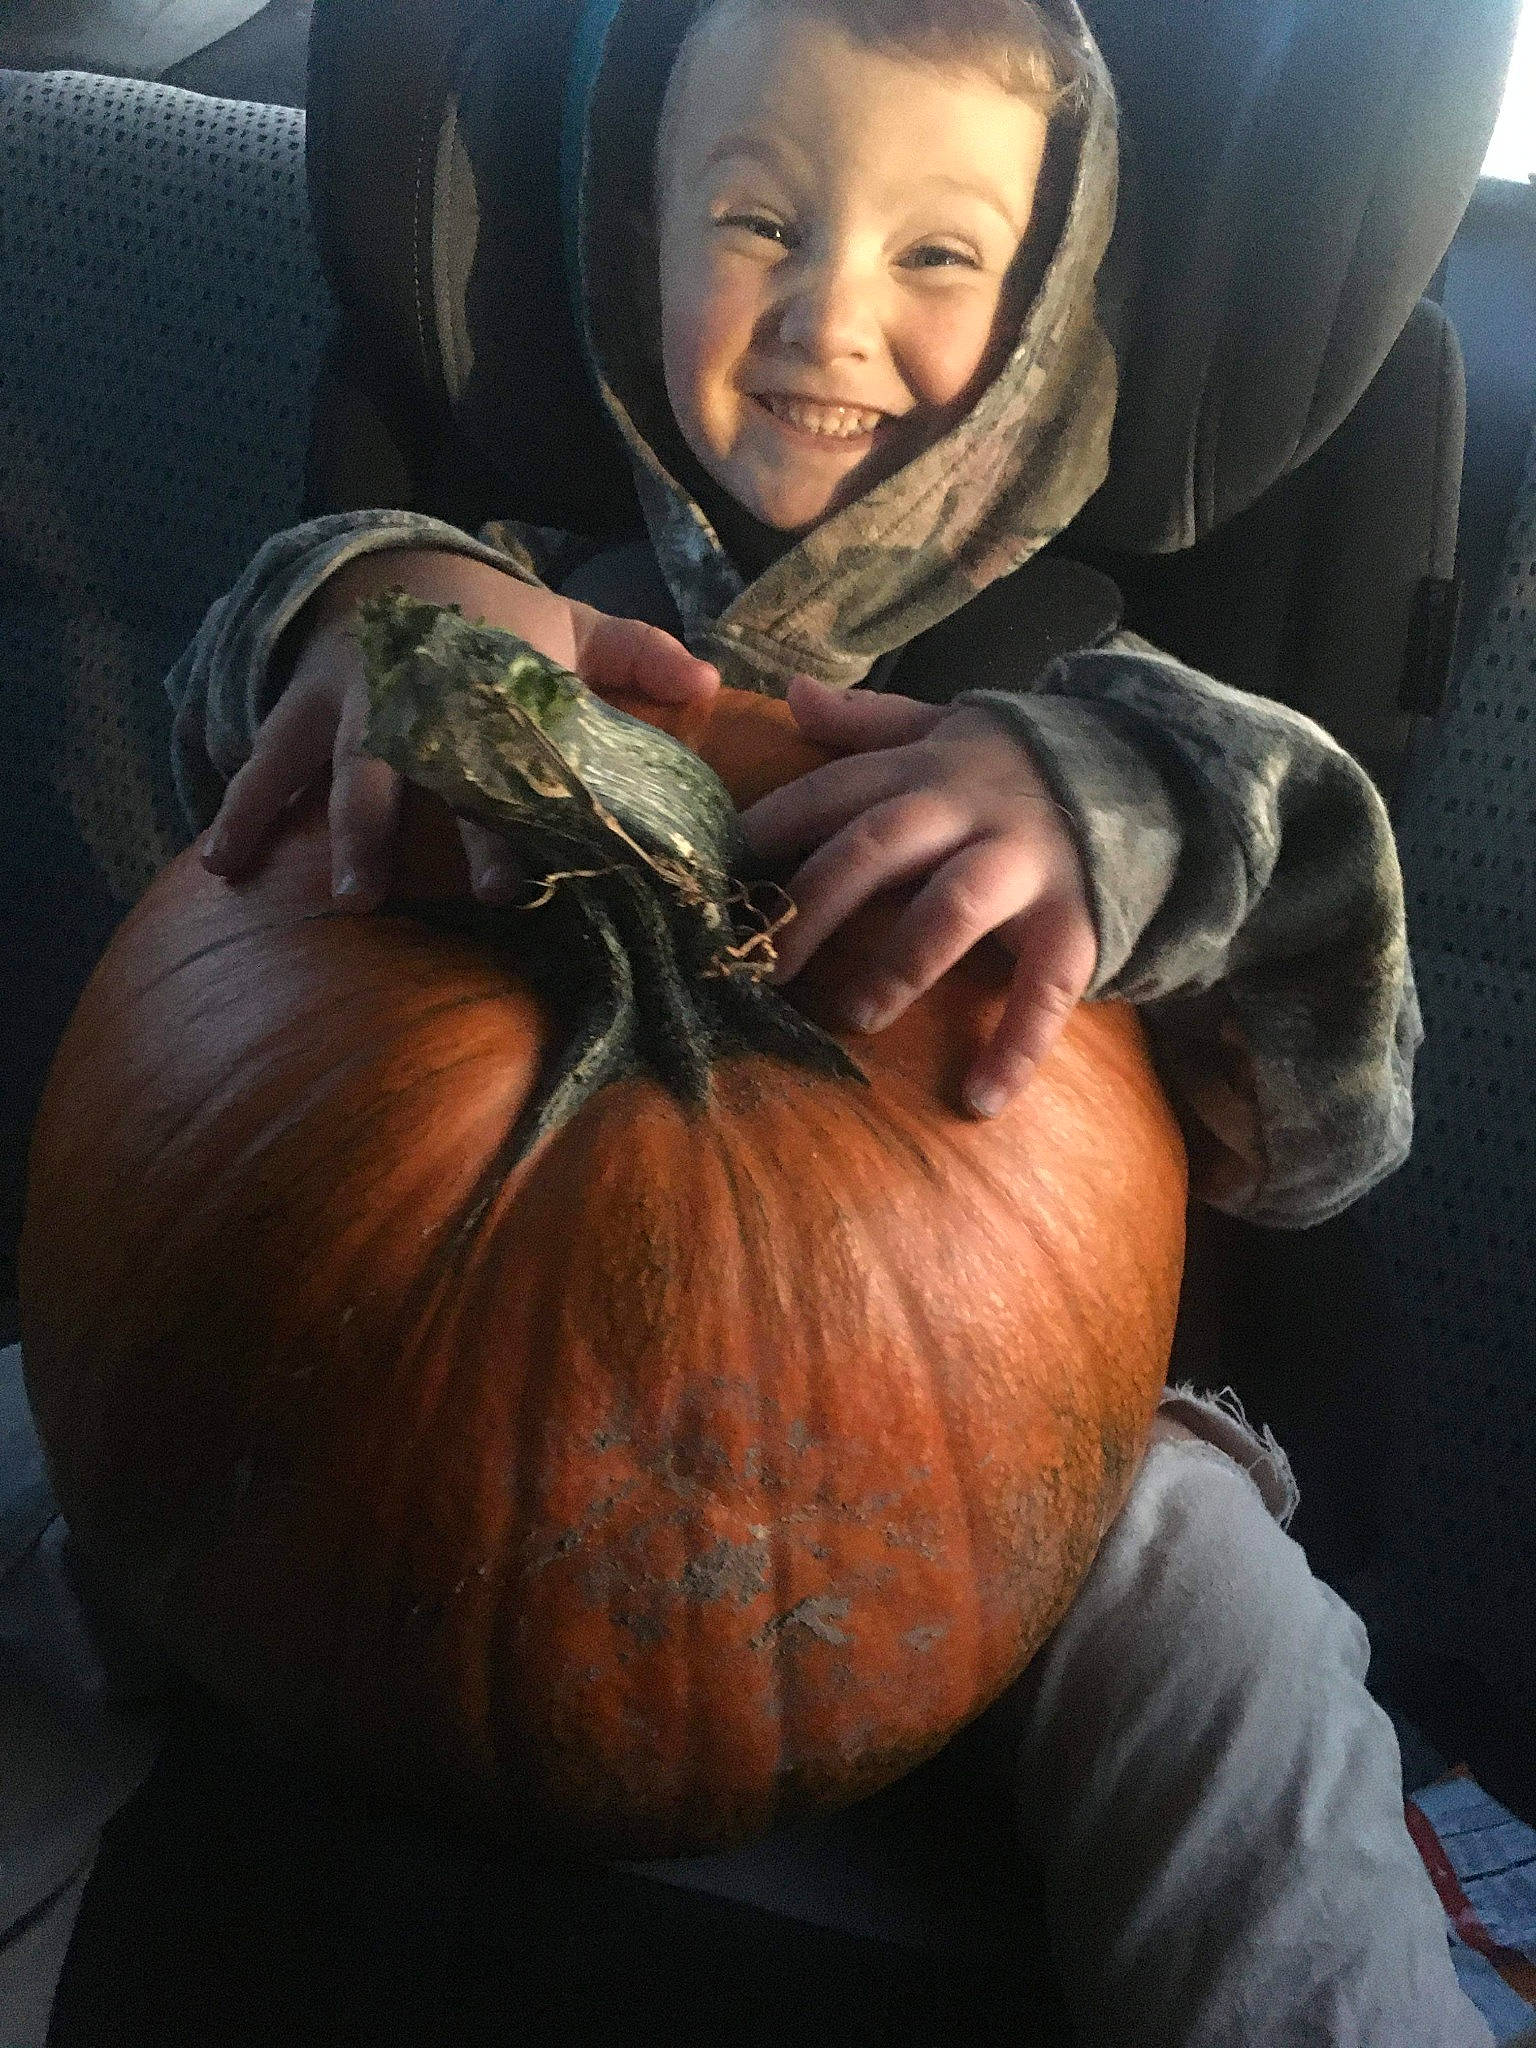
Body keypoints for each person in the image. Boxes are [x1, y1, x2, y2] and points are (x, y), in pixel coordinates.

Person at [0, 0, 1504, 2041]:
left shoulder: (1132, 707)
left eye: (937, 253)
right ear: (633, 233)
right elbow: (238, 806)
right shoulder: (518, 595)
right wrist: (377, 613)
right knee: (49, 1450)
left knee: (1224, 1629)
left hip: (1023, 1437)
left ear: (1059, 291)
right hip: (390, 1359)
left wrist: (1111, 817)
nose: (824, 314)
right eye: (755, 219)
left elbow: (1329, 1118)